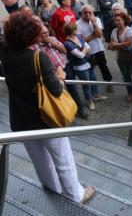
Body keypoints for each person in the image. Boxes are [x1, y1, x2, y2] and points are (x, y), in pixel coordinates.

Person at [0, 12, 96, 204]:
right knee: (63, 159)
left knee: (40, 160)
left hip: (20, 120)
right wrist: (60, 75)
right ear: (32, 35)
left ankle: (52, 188)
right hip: (47, 119)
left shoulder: (6, 52)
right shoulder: (38, 57)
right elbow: (55, 89)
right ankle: (75, 194)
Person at [33, 23, 89, 120]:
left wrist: (54, 44)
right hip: (52, 73)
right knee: (57, 92)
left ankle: (80, 110)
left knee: (73, 89)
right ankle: (61, 113)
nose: (47, 35)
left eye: (47, 32)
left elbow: (64, 50)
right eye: (43, 33)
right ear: (37, 34)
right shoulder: (35, 46)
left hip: (65, 67)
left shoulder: (53, 39)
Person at [64, 22, 107, 112]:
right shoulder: (67, 43)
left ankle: (95, 95)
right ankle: (90, 101)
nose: (77, 30)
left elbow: (87, 46)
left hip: (88, 63)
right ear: (72, 31)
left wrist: (84, 50)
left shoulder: (78, 36)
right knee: (86, 84)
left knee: (94, 80)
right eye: (75, 29)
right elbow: (80, 55)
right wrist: (84, 50)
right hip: (80, 67)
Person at [77, 5, 114, 92]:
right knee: (90, 70)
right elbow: (81, 41)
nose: (88, 14)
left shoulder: (96, 20)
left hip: (98, 49)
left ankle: (109, 83)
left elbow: (100, 35)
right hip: (87, 51)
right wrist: (94, 35)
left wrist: (94, 25)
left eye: (90, 12)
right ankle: (93, 89)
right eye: (85, 12)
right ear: (82, 13)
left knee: (103, 67)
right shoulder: (77, 24)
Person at [109, 12, 132, 102]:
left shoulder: (129, 30)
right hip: (120, 58)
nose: (117, 22)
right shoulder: (114, 31)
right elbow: (111, 45)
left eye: (119, 20)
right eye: (115, 20)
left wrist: (116, 45)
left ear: (124, 20)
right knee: (126, 76)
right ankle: (131, 93)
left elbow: (128, 44)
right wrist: (119, 45)